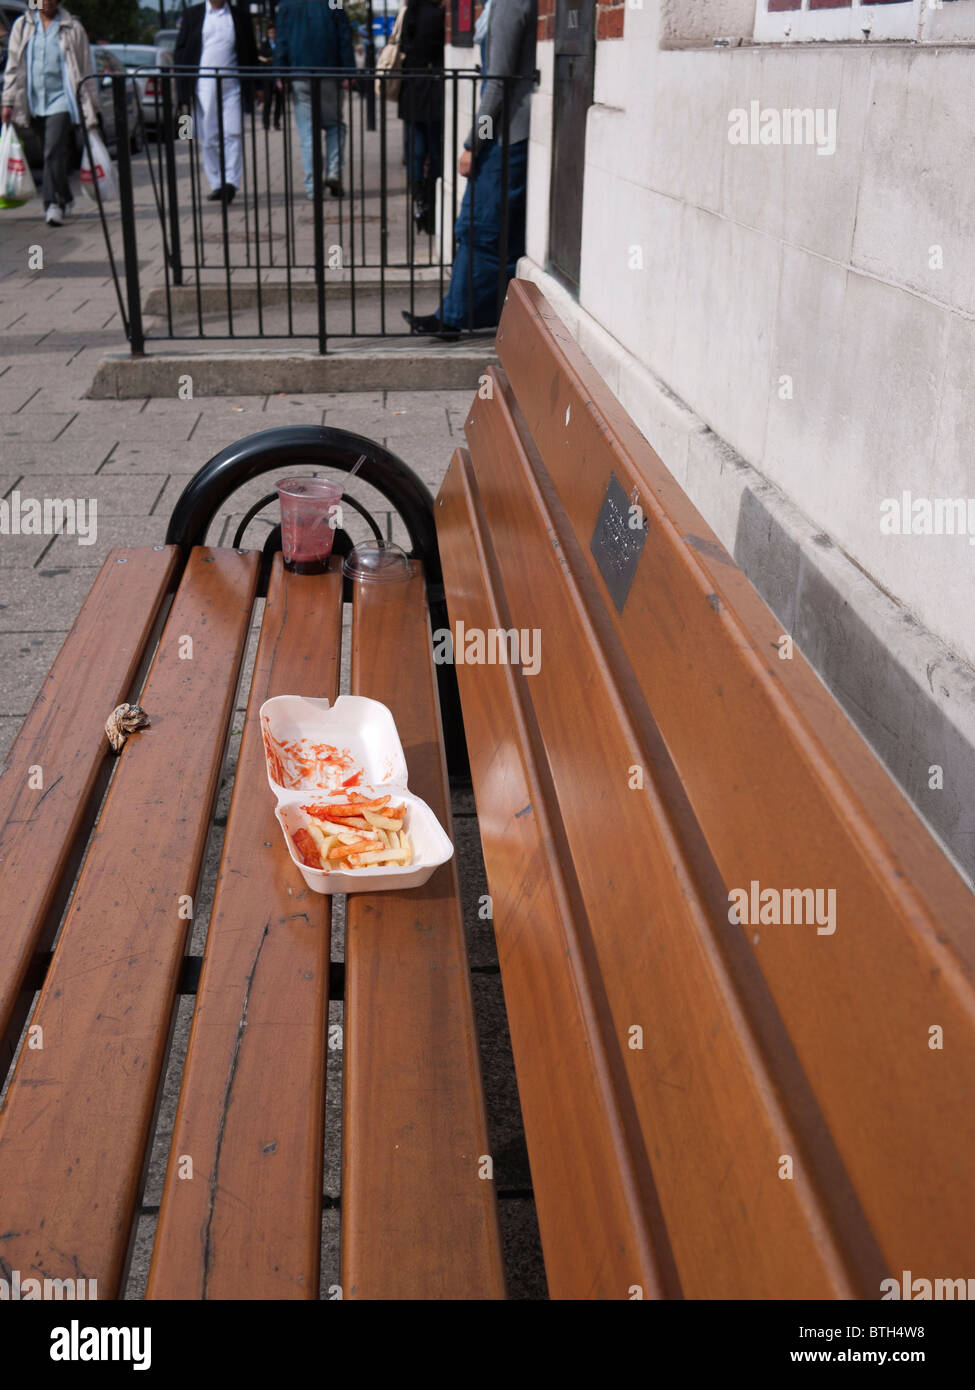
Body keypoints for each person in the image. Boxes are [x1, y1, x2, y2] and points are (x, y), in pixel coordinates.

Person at [403, 0, 535, 338]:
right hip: (507, 134)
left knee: (482, 228)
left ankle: (454, 316)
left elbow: (497, 83)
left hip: (505, 137)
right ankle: (456, 314)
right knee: (486, 229)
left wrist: (473, 143)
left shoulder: (508, 4)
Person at [0, 0, 100, 227]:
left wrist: (91, 107)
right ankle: (65, 195)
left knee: (51, 150)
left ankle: (52, 205)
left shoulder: (72, 27)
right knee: (51, 155)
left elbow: (85, 68)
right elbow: (13, 66)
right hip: (32, 101)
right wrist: (7, 101)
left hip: (62, 100)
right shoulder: (22, 26)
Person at [173, 0, 258, 205]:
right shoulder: (194, 16)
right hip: (204, 84)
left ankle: (231, 181)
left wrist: (258, 86)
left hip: (233, 84)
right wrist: (183, 85)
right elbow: (181, 50)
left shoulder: (239, 17)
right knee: (209, 136)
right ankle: (217, 182)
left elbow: (250, 52)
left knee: (233, 132)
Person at [274, 0, 355, 200]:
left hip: (300, 73)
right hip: (329, 72)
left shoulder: (286, 5)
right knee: (335, 125)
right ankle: (333, 172)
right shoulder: (334, 2)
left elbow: (281, 41)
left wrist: (280, 74)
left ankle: (313, 186)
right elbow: (344, 35)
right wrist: (348, 72)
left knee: (308, 133)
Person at [398, 0, 444, 237]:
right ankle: (433, 202)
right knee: (435, 151)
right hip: (432, 90)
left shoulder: (410, 13)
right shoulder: (436, 14)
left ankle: (418, 200)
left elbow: (405, 46)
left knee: (415, 150)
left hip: (412, 91)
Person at [258, 23, 282, 131]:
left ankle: (276, 123)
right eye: (270, 32)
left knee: (279, 102)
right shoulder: (264, 44)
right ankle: (266, 123)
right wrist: (267, 60)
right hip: (268, 75)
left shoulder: (280, 43)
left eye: (274, 32)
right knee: (268, 101)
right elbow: (259, 57)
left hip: (278, 75)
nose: (272, 34)